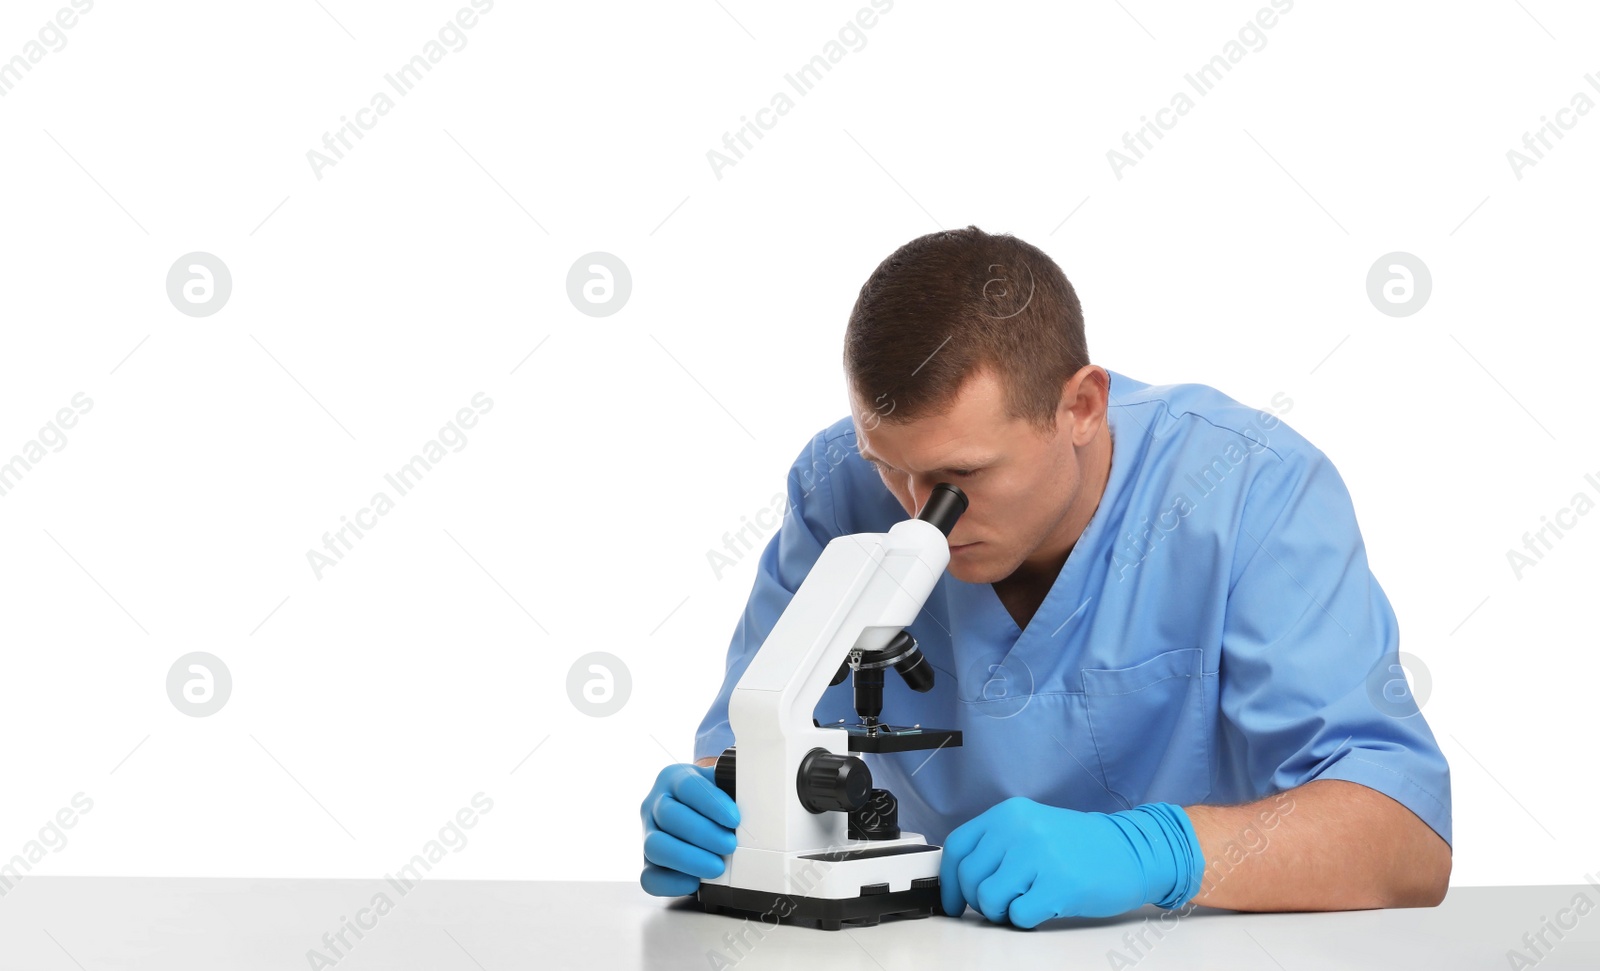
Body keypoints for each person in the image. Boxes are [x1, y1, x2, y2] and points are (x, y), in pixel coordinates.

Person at [640, 225, 1452, 927]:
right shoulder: (836, 487)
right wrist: (719, 814)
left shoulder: (1252, 490)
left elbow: (1405, 838)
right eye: (891, 470)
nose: (922, 515)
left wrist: (1155, 851)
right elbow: (744, 753)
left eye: (961, 475)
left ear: (1081, 407)